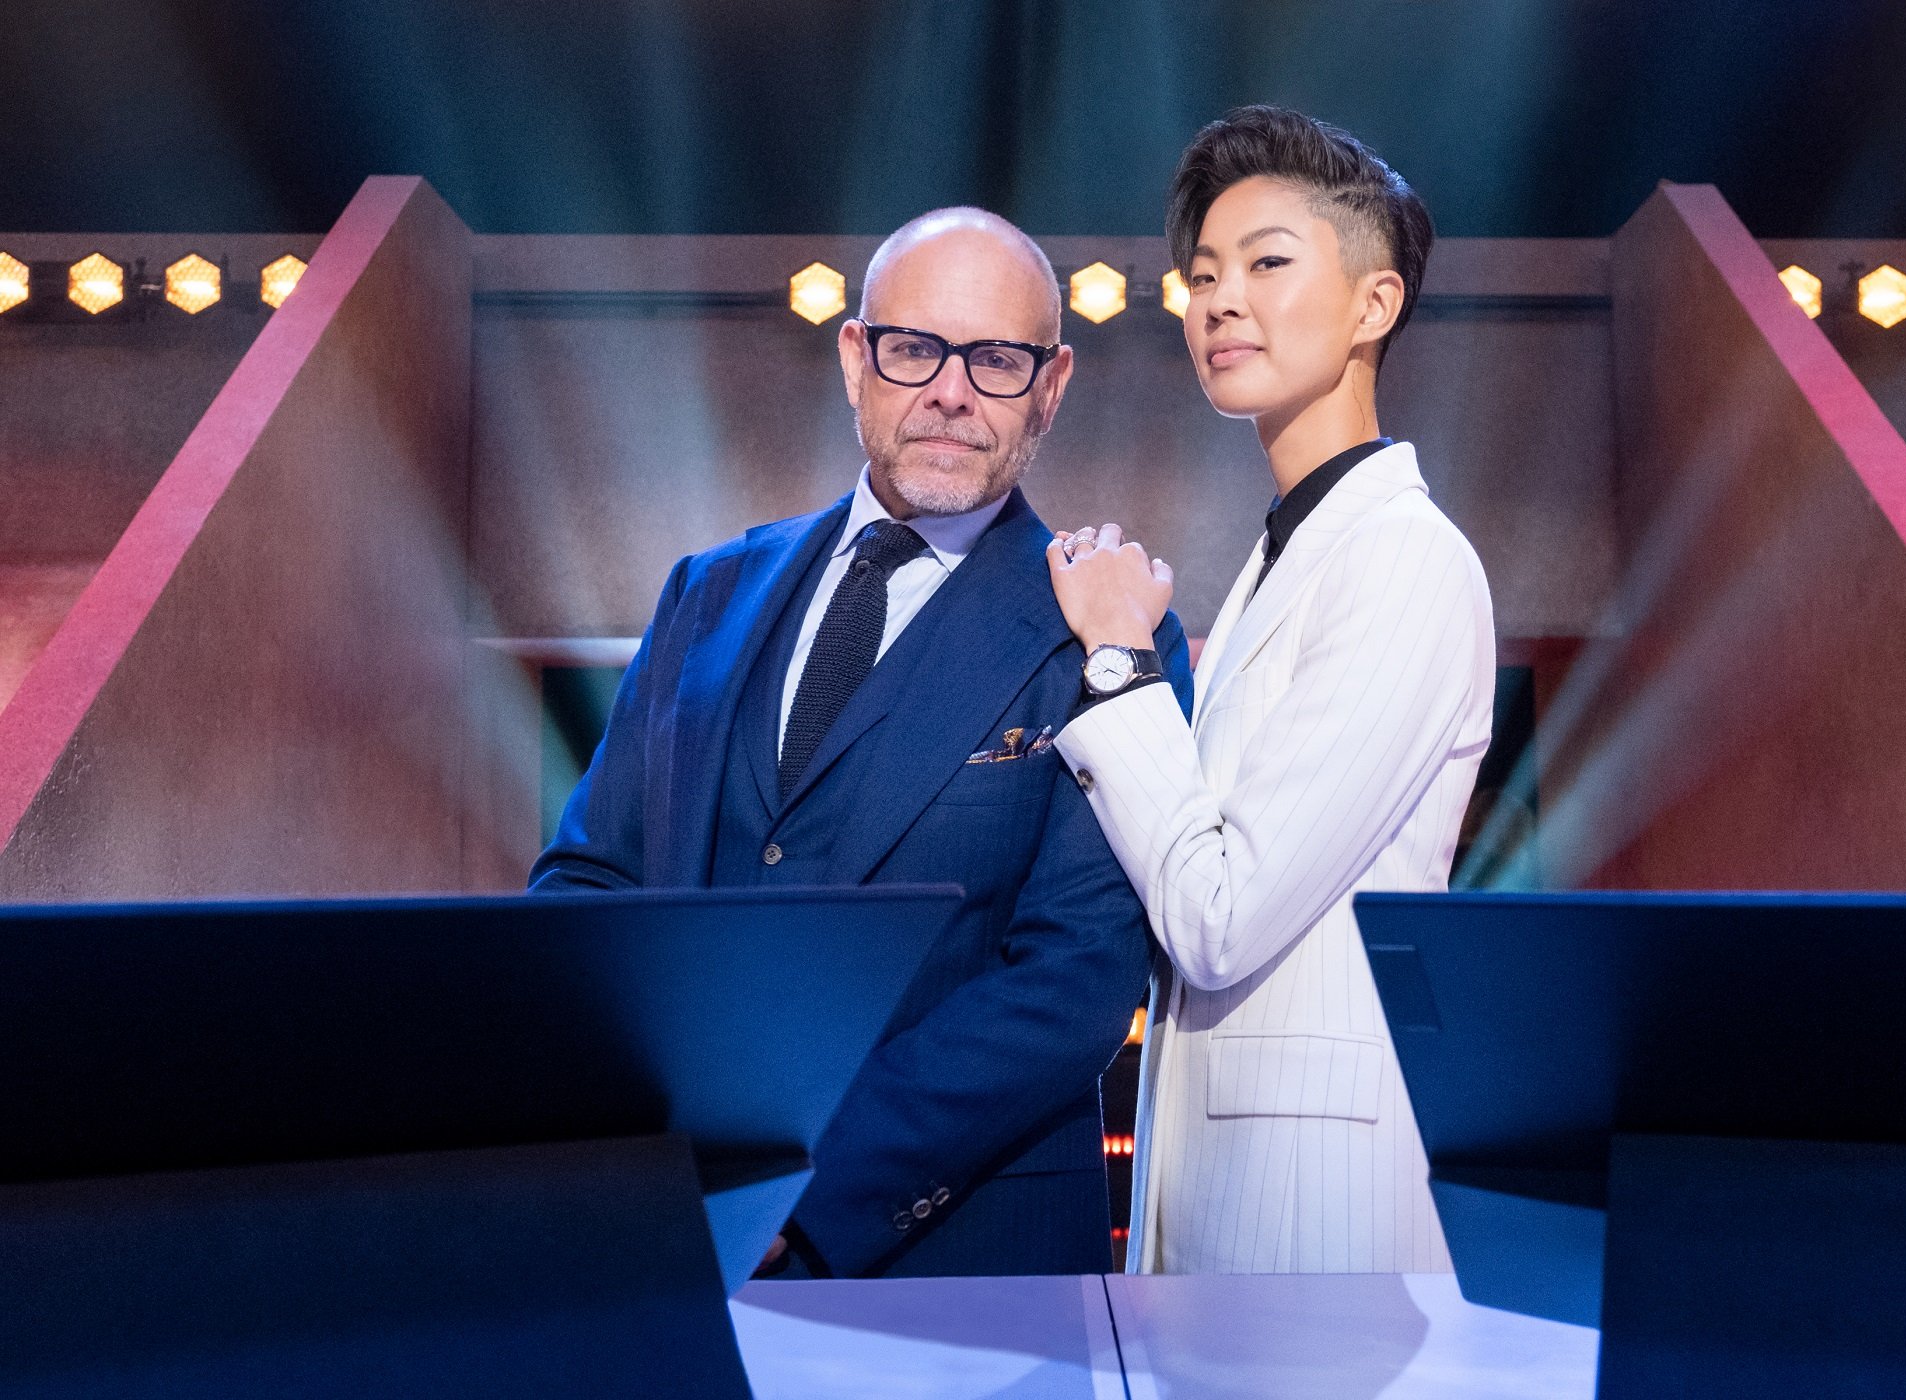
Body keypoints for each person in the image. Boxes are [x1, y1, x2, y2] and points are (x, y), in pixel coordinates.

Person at [532, 206, 1192, 1279]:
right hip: (667, 1232)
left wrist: (803, 1192)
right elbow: (590, 877)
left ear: (1053, 385)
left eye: (996, 358)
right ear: (855, 357)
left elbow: (1076, 979)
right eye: (914, 347)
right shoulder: (708, 591)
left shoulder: (1109, 628)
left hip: (967, 1267)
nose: (949, 389)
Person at [1046, 107, 1495, 1274]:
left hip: (1320, 1214)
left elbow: (1224, 913)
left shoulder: (1405, 555)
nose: (1218, 301)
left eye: (1267, 263)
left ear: (1373, 305)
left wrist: (1115, 661)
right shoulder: (1283, 555)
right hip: (1226, 1189)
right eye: (1201, 275)